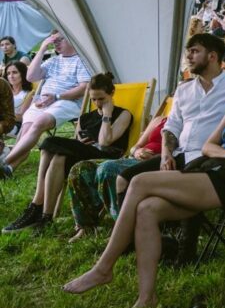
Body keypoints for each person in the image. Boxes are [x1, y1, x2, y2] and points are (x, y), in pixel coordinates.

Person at [63, 51, 225, 308]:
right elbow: (208, 147)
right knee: (147, 209)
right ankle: (147, 299)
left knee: (139, 183)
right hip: (209, 170)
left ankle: (103, 268)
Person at [3, 73, 132, 235]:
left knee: (51, 143)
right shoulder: (85, 118)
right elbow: (77, 140)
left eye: (102, 99)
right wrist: (78, 143)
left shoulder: (123, 114)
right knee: (59, 156)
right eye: (93, 99)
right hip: (82, 154)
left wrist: (107, 115)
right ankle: (46, 216)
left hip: (106, 157)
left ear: (112, 94)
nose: (97, 104)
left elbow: (105, 142)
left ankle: (35, 206)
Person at [0, 32, 91, 179]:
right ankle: (9, 169)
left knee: (39, 123)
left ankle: (5, 162)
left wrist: (56, 96)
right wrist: (42, 49)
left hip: (66, 102)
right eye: (53, 41)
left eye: (59, 40)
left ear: (72, 40)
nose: (55, 43)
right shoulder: (54, 60)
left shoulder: (80, 61)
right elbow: (30, 76)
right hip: (43, 102)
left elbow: (83, 88)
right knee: (26, 130)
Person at [67, 111, 167, 241]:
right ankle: (86, 227)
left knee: (108, 169)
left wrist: (156, 157)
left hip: (156, 164)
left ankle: (124, 231)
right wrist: (137, 151)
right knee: (80, 169)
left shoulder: (189, 122)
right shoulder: (159, 120)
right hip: (134, 160)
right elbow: (135, 146)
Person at [5, 61, 31, 136]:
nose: (11, 76)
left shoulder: (28, 93)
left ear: (23, 74)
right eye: (8, 73)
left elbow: (22, 117)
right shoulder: (4, 91)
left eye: (15, 72)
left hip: (15, 125)